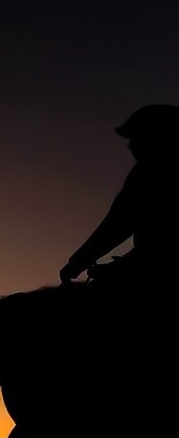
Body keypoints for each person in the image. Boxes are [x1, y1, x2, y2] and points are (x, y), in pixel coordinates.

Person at [59, 103, 179, 313]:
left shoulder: (147, 176)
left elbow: (119, 224)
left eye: (137, 137)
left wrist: (78, 262)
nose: (131, 145)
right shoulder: (144, 174)